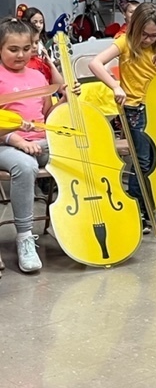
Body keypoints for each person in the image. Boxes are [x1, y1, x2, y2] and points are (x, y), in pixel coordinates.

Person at [89, 2, 156, 233]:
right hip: (134, 109)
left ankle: (152, 206)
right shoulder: (125, 43)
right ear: (135, 27)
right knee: (141, 162)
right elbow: (95, 63)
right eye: (145, 34)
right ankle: (137, 209)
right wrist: (115, 85)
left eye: (154, 35)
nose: (149, 40)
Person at [0, 17, 74, 273]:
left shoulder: (38, 77)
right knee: (25, 165)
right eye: (13, 49)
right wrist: (16, 138)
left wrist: (65, 100)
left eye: (26, 48)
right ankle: (24, 237)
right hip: (5, 144)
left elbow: (48, 114)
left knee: (76, 154)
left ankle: (75, 223)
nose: (21, 55)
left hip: (40, 140)